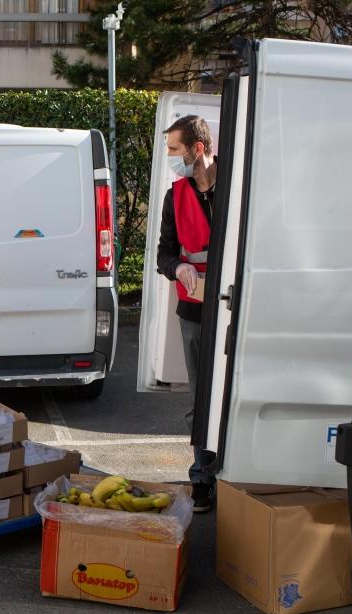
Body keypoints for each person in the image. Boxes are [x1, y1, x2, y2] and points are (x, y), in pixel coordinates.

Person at [156, 115, 218, 513]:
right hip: (193, 312)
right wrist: (176, 266)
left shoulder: (236, 187)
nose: (171, 159)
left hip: (232, 308)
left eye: (175, 150)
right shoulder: (173, 196)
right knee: (200, 397)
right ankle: (202, 479)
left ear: (198, 149)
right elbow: (165, 251)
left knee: (231, 394)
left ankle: (234, 474)